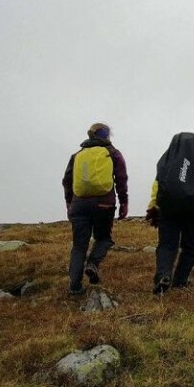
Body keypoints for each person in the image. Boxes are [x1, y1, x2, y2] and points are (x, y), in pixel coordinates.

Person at [146, 132, 194, 294]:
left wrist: (154, 205)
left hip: (168, 206)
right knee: (192, 246)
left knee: (167, 244)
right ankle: (180, 281)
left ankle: (163, 275)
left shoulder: (169, 157)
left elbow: (158, 182)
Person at [62, 123, 128, 295]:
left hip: (79, 205)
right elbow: (121, 179)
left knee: (79, 246)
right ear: (106, 135)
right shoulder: (113, 153)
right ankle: (92, 264)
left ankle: (75, 286)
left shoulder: (77, 155)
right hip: (104, 204)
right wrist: (124, 203)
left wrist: (70, 204)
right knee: (104, 239)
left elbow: (67, 181)